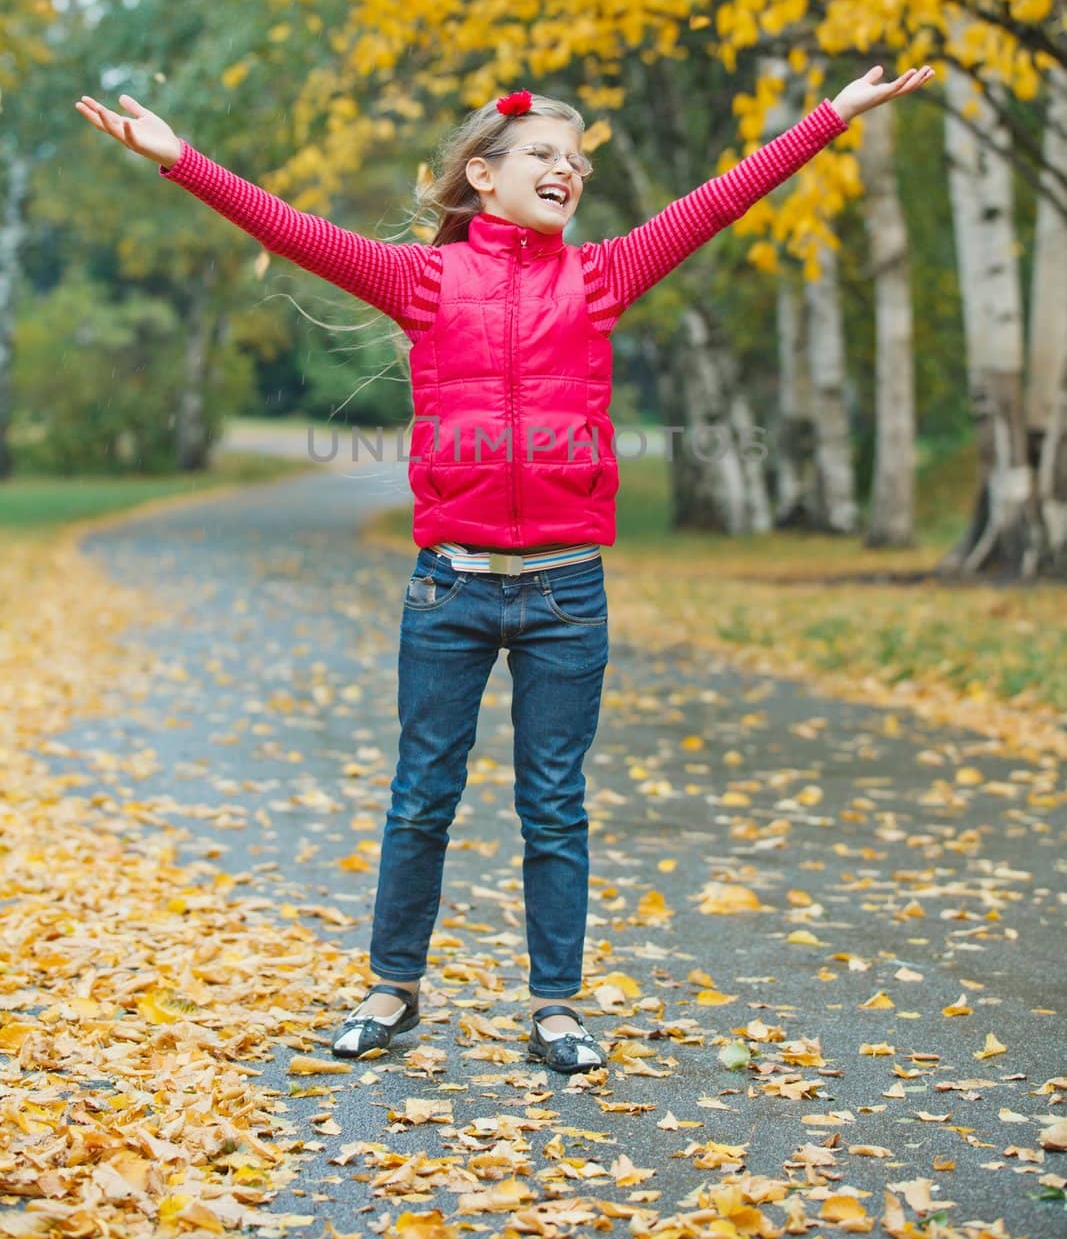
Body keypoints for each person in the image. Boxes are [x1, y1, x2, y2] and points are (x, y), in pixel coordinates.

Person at [75, 62, 933, 1074]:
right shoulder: (423, 280)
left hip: (567, 592)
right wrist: (180, 161)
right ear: (482, 173)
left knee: (554, 803)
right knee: (420, 796)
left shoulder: (599, 275)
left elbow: (719, 198)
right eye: (541, 154)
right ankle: (390, 992)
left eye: (574, 160)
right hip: (451, 587)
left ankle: (556, 1006)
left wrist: (829, 116)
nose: (564, 170)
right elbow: (296, 229)